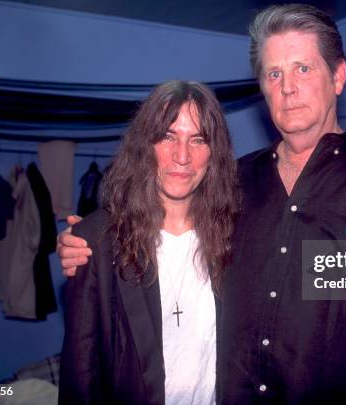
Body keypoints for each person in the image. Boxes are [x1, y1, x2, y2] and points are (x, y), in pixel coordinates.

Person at [58, 4, 346, 404]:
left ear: (338, 76)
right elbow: (163, 218)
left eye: (303, 68)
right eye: (274, 73)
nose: (287, 87)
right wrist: (86, 242)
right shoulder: (233, 185)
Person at [58, 80, 238, 404]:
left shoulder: (237, 235)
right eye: (168, 136)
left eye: (197, 140)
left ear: (214, 153)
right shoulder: (97, 242)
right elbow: (81, 373)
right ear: (145, 144)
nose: (181, 156)